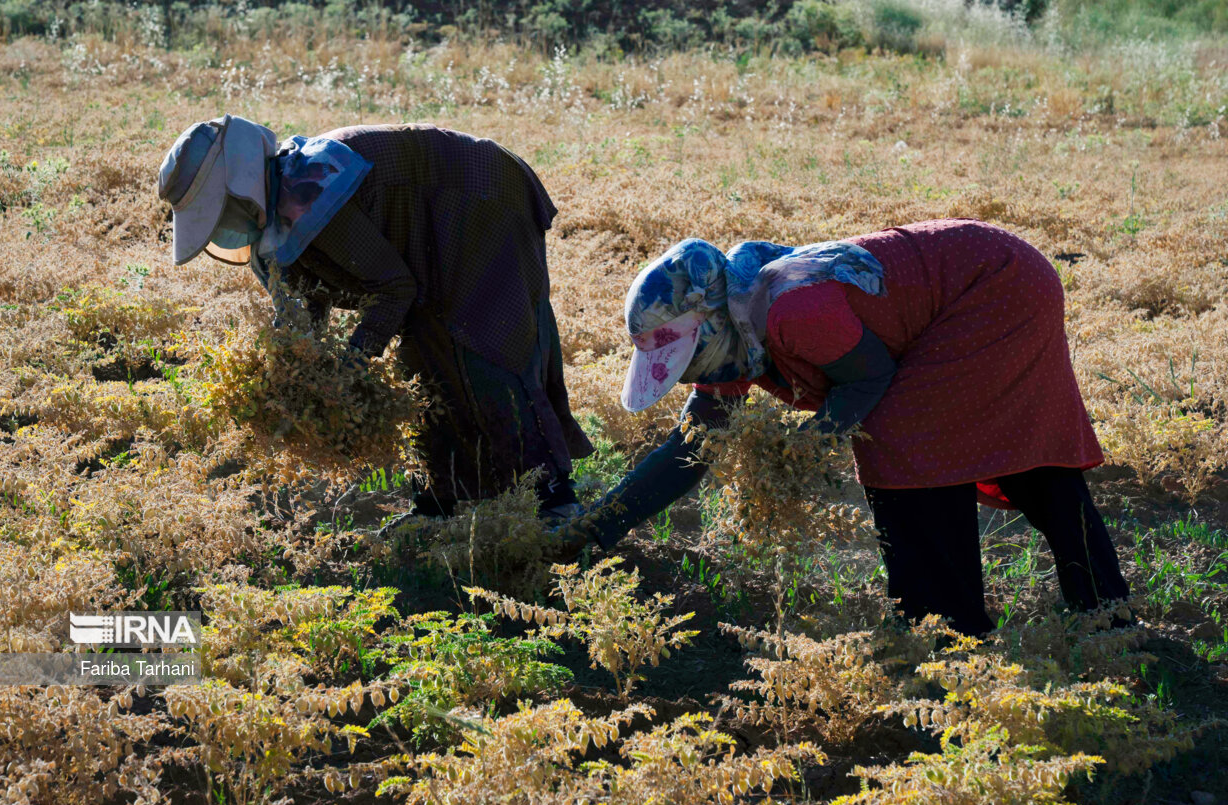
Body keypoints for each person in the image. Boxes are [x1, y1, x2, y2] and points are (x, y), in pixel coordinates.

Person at [553, 219, 1130, 635]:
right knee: (1016, 461)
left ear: (707, 326)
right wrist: (596, 528)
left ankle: (945, 633)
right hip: (997, 277)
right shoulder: (737, 320)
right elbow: (693, 446)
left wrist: (804, 444)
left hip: (996, 286)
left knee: (902, 446)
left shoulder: (790, 311)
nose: (688, 376)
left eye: (686, 359)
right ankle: (1107, 614)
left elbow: (867, 380)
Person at [157, 115, 592, 523]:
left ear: (242, 187)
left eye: (221, 212)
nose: (221, 228)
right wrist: (288, 375)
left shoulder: (312, 191)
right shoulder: (272, 225)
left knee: (481, 343)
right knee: (421, 362)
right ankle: (439, 502)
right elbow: (301, 311)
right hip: (437, 218)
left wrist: (350, 367)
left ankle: (552, 498)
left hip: (479, 196)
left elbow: (394, 289)